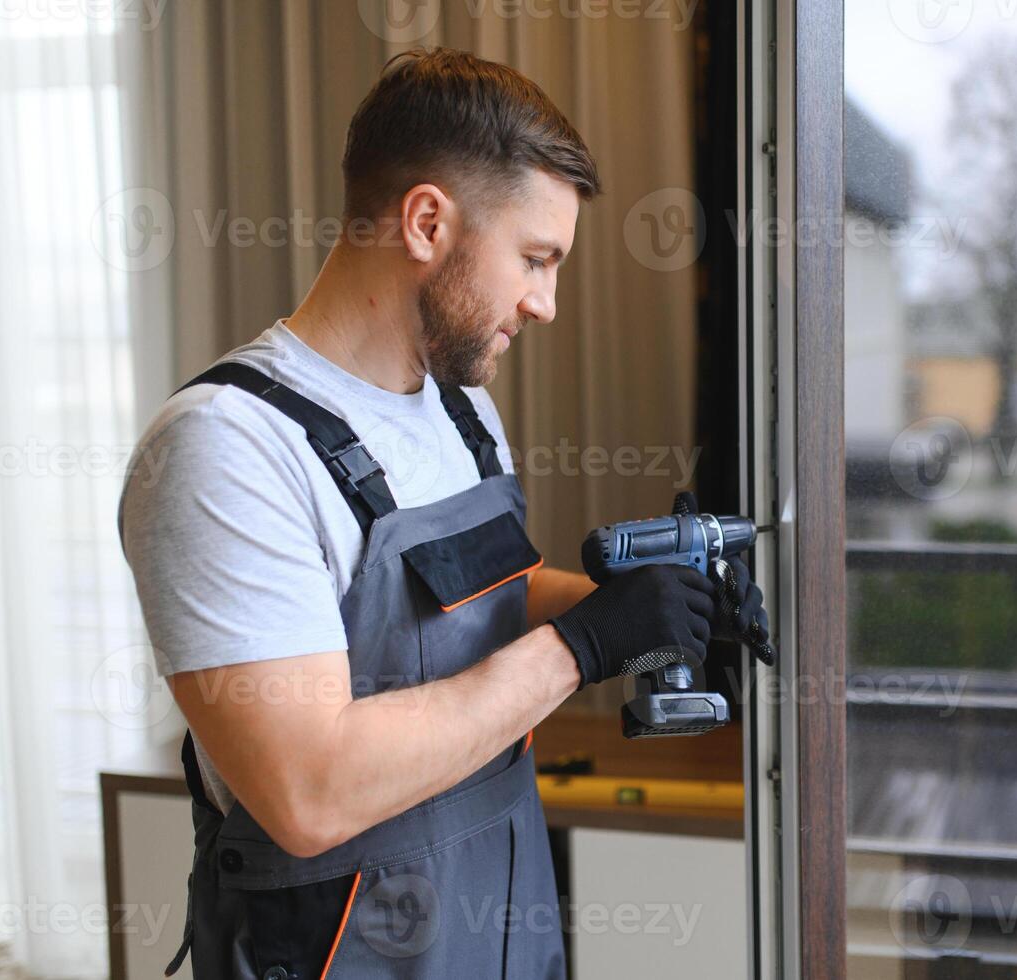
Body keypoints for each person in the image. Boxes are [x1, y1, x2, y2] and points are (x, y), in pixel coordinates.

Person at [118, 47, 765, 979]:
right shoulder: (227, 449)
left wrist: (650, 610)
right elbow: (308, 790)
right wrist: (582, 647)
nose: (542, 304)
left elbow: (469, 599)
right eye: (535, 259)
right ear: (427, 222)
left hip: (503, 922)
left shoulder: (460, 410)